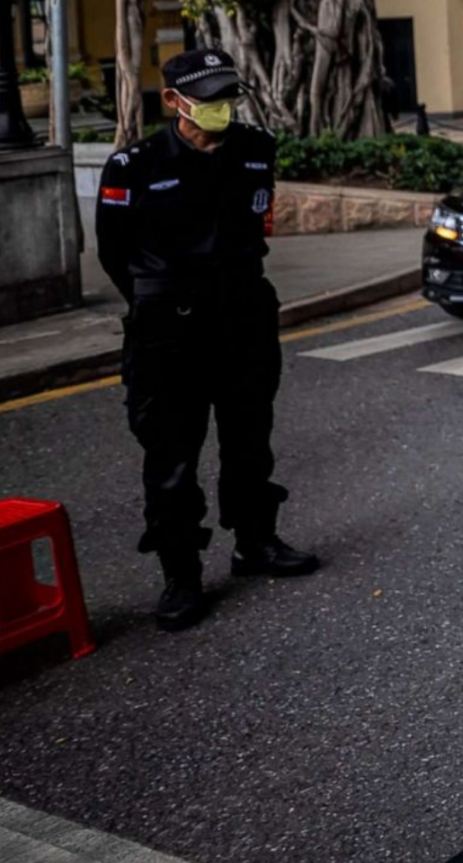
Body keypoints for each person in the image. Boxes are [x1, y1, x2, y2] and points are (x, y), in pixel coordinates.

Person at [95, 49, 318, 633]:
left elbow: (257, 224)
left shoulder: (255, 148)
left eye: (228, 95)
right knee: (171, 453)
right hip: (169, 327)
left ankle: (256, 541)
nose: (223, 106)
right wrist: (159, 299)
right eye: (210, 97)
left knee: (249, 438)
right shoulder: (134, 165)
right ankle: (181, 573)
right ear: (173, 100)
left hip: (243, 313)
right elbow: (115, 253)